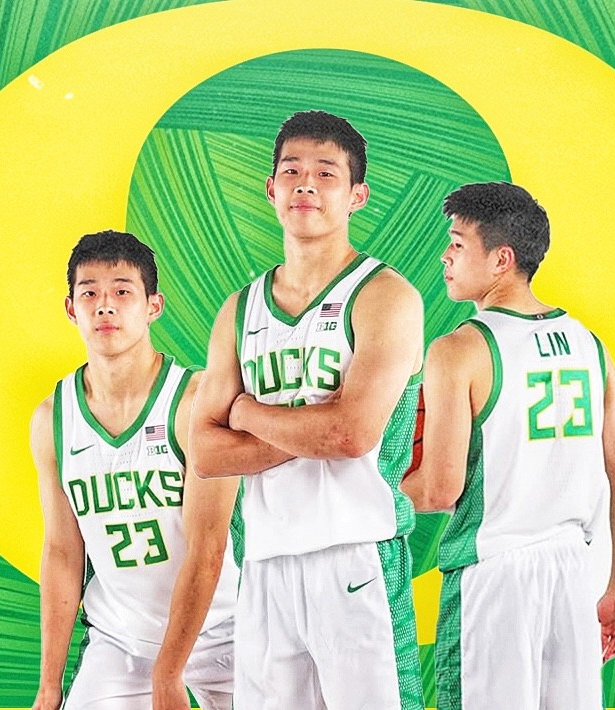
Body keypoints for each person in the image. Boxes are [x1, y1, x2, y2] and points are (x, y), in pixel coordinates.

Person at [189, 111, 425, 709]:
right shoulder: (239, 309)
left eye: (326, 173)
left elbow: (351, 434)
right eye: (292, 171)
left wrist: (246, 412)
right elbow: (205, 451)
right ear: (271, 189)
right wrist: (310, 428)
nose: (306, 185)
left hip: (356, 554)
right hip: (265, 561)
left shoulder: (386, 295)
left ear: (356, 196)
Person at [401, 182, 615, 710]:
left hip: (494, 578)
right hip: (574, 574)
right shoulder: (589, 344)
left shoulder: (458, 350)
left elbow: (440, 489)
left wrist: (366, 493)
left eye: (458, 244)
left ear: (501, 260)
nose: (445, 255)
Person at [30, 230, 239, 710]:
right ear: (71, 309)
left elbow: (208, 547)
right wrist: (48, 686)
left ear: (153, 306)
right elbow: (62, 552)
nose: (105, 306)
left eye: (122, 291)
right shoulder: (52, 418)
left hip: (224, 629)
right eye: (90, 293)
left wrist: (169, 672)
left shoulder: (195, 400)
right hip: (121, 640)